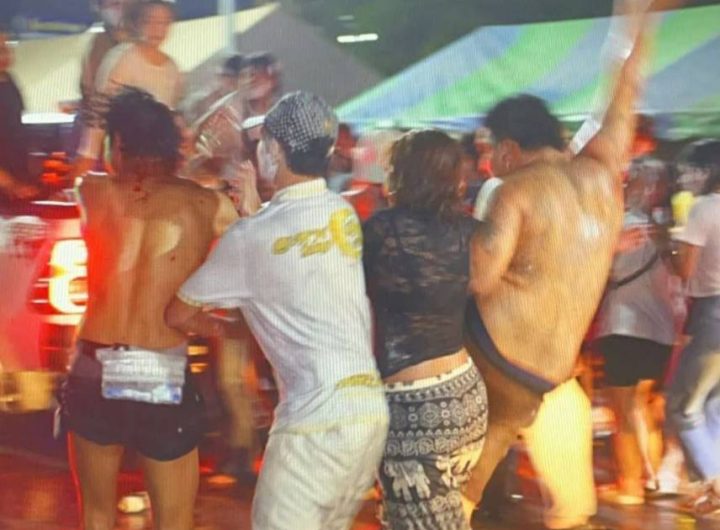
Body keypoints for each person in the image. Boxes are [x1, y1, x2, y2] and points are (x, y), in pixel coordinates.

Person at [461, 0, 658, 521]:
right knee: (572, 513)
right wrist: (635, 23)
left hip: (496, 366)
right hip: (555, 377)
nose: (488, 163)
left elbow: (480, 278)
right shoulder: (602, 174)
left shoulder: (512, 190)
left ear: (508, 148)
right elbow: (624, 87)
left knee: (455, 498)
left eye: (490, 152)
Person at [166, 91, 389, 530]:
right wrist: (253, 214)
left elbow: (178, 313)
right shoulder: (340, 212)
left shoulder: (249, 239)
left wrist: (229, 329)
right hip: (367, 415)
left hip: (313, 425)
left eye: (264, 142)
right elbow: (286, 247)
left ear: (275, 151)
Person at [58, 88, 238, 530]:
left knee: (96, 515)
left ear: (119, 143)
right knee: (173, 519)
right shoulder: (208, 205)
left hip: (94, 366)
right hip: (162, 369)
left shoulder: (91, 191)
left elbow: (101, 174)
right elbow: (252, 246)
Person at [362, 130, 488, 529]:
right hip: (465, 395)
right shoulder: (471, 233)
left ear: (403, 174)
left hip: (415, 408)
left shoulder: (381, 231)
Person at [473, 154, 601, 530]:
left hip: (513, 360)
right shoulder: (573, 205)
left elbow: (481, 276)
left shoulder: (507, 193)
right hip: (534, 365)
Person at [595, 157, 677, 505]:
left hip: (624, 327)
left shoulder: (622, 227)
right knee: (642, 407)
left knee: (624, 409)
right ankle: (652, 477)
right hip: (660, 331)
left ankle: (629, 485)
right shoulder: (665, 231)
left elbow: (601, 273)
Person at [666, 139, 720, 516]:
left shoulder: (704, 208)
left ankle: (714, 483)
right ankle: (711, 489)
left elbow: (685, 269)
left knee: (683, 408)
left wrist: (670, 246)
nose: (687, 177)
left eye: (693, 170)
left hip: (712, 312)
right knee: (713, 405)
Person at [73, 0, 183, 178]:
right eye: (150, 21)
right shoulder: (120, 58)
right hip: (123, 160)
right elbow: (98, 114)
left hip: (158, 165)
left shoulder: (172, 68)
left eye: (164, 23)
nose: (157, 29)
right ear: (137, 22)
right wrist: (86, 159)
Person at [0, 32, 38, 201]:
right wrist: (10, 184)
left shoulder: (9, 80)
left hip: (17, 178)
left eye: (7, 47)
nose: (5, 54)